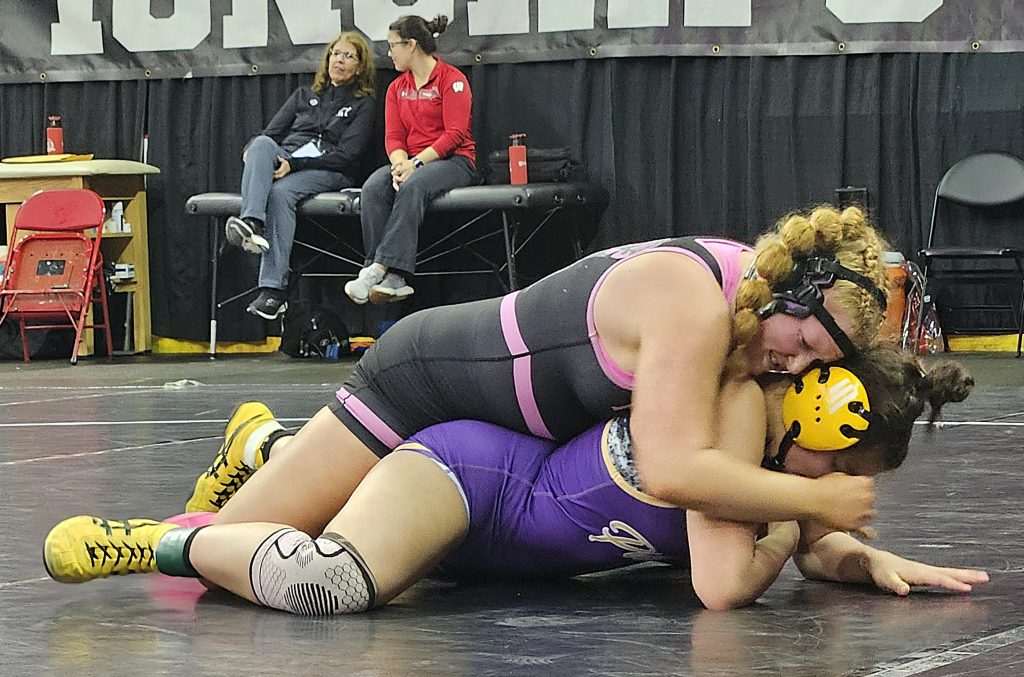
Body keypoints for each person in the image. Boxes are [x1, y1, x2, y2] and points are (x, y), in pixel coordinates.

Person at [43, 345, 988, 614]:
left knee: (342, 551)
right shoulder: (728, 430)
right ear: (826, 417)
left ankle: (263, 451)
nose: (831, 482)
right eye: (845, 468)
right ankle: (150, 542)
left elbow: (802, 540)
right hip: (471, 478)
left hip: (483, 549)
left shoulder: (780, 461)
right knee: (333, 582)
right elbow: (722, 581)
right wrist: (806, 521)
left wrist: (862, 556)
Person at [185, 205, 891, 540]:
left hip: (485, 419)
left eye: (816, 366)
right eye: (803, 344)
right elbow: (675, 472)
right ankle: (168, 520)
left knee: (315, 523)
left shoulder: (745, 297)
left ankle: (266, 444)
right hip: (419, 381)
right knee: (226, 543)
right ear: (793, 291)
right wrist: (818, 508)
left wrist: (855, 555)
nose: (794, 367)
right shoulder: (696, 308)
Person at [223, 30, 377, 320]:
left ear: (360, 67)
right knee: (260, 144)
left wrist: (294, 166)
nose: (339, 60)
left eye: (348, 56)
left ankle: (273, 290)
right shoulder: (305, 95)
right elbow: (269, 134)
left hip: (329, 170)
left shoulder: (363, 104)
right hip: (287, 159)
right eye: (336, 53)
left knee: (281, 194)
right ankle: (252, 222)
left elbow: (348, 156)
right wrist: (253, 151)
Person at [344, 15, 477, 305]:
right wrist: (399, 163)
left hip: (454, 162)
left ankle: (377, 268)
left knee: (413, 185)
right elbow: (394, 136)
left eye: (393, 46)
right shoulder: (395, 88)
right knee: (373, 187)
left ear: (412, 45)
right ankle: (393, 278)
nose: (389, 53)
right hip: (411, 162)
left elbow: (455, 134)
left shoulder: (452, 80)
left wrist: (415, 165)